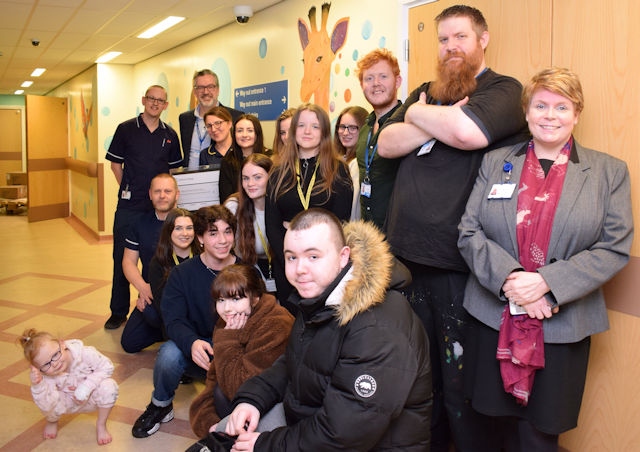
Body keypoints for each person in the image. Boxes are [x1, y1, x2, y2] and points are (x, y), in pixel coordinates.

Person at [377, 5, 530, 450]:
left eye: (460, 37)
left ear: (483, 39)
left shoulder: (504, 89)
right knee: (418, 375)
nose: (451, 47)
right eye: (443, 40)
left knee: (460, 381)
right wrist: (430, 117)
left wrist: (417, 117)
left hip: (458, 265)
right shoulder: (428, 90)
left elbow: (470, 134)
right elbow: (386, 143)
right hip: (404, 261)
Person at [457, 67, 633, 451]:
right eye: (540, 105)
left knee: (539, 437)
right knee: (489, 430)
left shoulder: (609, 172)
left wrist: (547, 283)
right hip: (492, 318)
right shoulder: (496, 162)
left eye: (561, 106)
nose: (549, 115)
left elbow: (614, 246)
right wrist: (513, 279)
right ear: (526, 111)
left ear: (577, 113)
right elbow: (469, 232)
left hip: (562, 329)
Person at [222, 208, 432, 451]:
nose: (300, 269)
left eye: (313, 257)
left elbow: (344, 435)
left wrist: (266, 445)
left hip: (362, 444)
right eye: (291, 257)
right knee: (225, 432)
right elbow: (295, 361)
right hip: (310, 424)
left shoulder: (377, 327)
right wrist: (253, 399)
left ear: (343, 257)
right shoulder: (320, 293)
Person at [132, 205, 239, 438]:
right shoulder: (182, 274)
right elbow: (173, 319)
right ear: (200, 238)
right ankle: (160, 405)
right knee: (169, 353)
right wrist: (191, 343)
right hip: (198, 347)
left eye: (228, 232)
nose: (222, 240)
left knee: (226, 409)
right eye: (213, 233)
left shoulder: (245, 271)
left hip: (234, 350)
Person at [104, 85, 183, 330]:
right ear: (143, 100)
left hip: (159, 208)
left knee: (160, 257)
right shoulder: (126, 129)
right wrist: (131, 187)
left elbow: (173, 172)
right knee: (122, 258)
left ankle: (158, 303)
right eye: (151, 99)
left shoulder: (169, 134)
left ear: (165, 105)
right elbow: (115, 165)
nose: (155, 103)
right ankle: (118, 311)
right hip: (130, 206)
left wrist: (163, 196)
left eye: (160, 101)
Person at [189, 264, 294, 438]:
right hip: (242, 403)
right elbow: (213, 378)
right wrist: (209, 421)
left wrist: (229, 340)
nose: (227, 309)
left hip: (276, 407)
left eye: (236, 299)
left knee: (222, 394)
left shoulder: (276, 324)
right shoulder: (229, 322)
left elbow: (243, 390)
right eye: (221, 301)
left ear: (255, 298)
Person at [266, 104, 353, 308]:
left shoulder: (338, 169)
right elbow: (272, 226)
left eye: (314, 126)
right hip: (287, 265)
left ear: (324, 131)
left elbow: (339, 223)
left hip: (323, 265)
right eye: (302, 125)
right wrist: (292, 262)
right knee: (291, 326)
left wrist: (313, 262)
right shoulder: (278, 172)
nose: (307, 131)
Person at [18, 328, 118, 445]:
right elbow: (46, 405)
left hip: (91, 397)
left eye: (55, 355)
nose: (55, 364)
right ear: (38, 368)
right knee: (47, 400)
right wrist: (38, 386)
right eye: (46, 364)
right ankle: (52, 421)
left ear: (62, 343)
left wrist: (86, 386)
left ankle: (101, 425)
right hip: (67, 403)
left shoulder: (85, 353)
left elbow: (107, 366)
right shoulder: (46, 375)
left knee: (109, 386)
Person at [120, 174, 179, 353]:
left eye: (168, 191)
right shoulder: (139, 224)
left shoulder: (188, 223)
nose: (162, 196)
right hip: (151, 293)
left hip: (181, 297)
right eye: (157, 191)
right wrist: (143, 288)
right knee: (130, 342)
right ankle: (166, 330)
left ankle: (173, 330)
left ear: (177, 194)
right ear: (150, 194)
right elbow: (128, 262)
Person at [354, 48, 403, 230]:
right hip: (369, 235)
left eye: (383, 76)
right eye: (369, 78)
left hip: (398, 236)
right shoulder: (364, 128)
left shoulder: (407, 125)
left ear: (397, 81)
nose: (376, 83)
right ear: (362, 85)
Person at [147, 208, 201, 337]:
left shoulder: (204, 257)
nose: (185, 233)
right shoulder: (158, 262)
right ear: (169, 231)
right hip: (176, 319)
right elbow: (163, 306)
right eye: (178, 228)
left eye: (189, 228)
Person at [224, 154, 275, 290]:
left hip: (281, 270)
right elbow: (238, 256)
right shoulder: (234, 207)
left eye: (257, 177)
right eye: (245, 178)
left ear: (271, 177)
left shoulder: (282, 204)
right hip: (251, 271)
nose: (250, 184)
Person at [180, 69, 244, 169]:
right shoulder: (185, 119)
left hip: (222, 179)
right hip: (191, 181)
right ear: (195, 92)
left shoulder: (235, 117)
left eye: (210, 87)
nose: (206, 92)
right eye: (200, 87)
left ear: (218, 90)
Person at [219, 114, 273, 204]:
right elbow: (226, 198)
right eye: (239, 131)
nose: (244, 135)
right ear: (234, 134)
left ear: (257, 133)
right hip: (239, 212)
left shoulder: (270, 157)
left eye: (250, 130)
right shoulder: (228, 161)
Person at [334, 105, 368, 220]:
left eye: (353, 128)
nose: (345, 133)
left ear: (363, 129)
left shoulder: (358, 165)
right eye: (342, 127)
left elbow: (354, 210)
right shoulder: (337, 160)